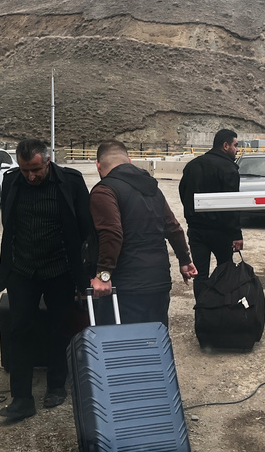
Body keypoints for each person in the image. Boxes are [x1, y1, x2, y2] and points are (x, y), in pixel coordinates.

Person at [0, 139, 95, 421]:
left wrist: (87, 269)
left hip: (59, 270)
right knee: (19, 330)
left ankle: (57, 385)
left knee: (60, 327)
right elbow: (9, 224)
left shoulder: (70, 181)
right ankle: (21, 398)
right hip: (22, 270)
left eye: (36, 169)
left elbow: (86, 226)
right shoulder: (11, 181)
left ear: (48, 161)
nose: (30, 176)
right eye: (25, 170)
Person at [89, 140, 197, 326]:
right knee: (154, 337)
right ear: (130, 161)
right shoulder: (152, 187)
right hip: (158, 281)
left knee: (122, 340)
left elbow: (112, 233)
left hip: (126, 286)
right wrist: (185, 261)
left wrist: (103, 275)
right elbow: (173, 227)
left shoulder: (105, 191)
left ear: (98, 165)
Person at [178, 129, 244, 301]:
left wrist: (192, 217)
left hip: (197, 231)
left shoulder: (192, 165)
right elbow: (233, 204)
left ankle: (202, 310)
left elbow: (183, 193)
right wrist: (236, 234)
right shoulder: (229, 168)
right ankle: (222, 308)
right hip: (222, 231)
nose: (237, 150)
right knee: (225, 271)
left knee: (200, 275)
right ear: (225, 145)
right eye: (235, 145)